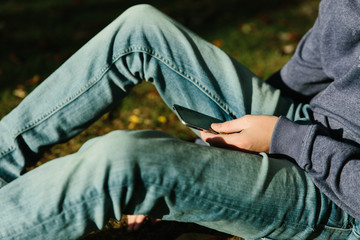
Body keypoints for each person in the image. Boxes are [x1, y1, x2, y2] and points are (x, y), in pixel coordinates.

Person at [0, 1, 359, 239]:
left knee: (125, 161)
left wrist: (288, 140)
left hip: (340, 199)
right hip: (309, 128)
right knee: (139, 29)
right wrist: (225, 137)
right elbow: (307, 71)